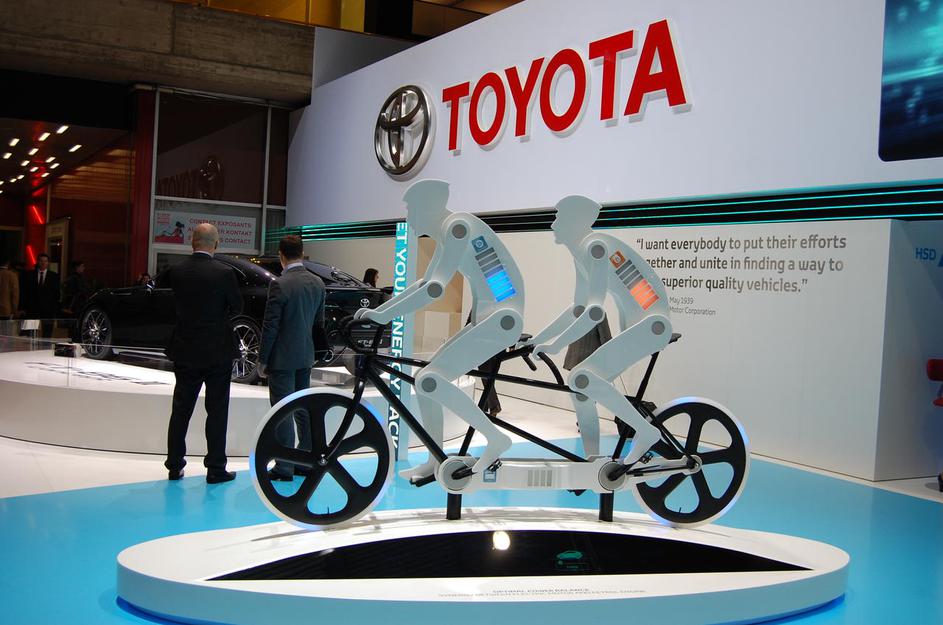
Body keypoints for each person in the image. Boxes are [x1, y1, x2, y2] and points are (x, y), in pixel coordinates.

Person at [356, 179, 525, 479]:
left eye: (411, 209)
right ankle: (436, 458)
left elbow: (435, 289)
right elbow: (426, 282)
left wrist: (384, 316)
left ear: (428, 207)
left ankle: (495, 438)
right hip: (491, 317)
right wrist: (381, 313)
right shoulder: (451, 229)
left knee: (430, 379)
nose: (409, 217)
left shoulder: (457, 227)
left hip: (502, 319)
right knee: (425, 381)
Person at [525, 195, 670, 462]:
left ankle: (646, 431)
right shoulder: (582, 251)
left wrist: (555, 345)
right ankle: (592, 462)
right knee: (581, 390)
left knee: (581, 378)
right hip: (644, 325)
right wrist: (539, 339)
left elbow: (594, 312)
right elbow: (578, 308)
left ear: (573, 222)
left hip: (653, 326)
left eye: (558, 218)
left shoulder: (595, 248)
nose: (553, 225)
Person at [158, 223, 242, 483]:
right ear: (215, 244)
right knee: (217, 411)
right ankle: (215, 468)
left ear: (192, 242)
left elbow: (166, 304)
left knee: (181, 409)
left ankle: (174, 465)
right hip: (218, 351)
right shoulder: (225, 273)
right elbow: (237, 307)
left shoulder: (176, 271)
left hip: (185, 348)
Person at [258, 235, 326, 481]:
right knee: (303, 409)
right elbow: (319, 323)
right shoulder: (317, 283)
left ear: (281, 255)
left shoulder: (280, 284)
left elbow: (271, 326)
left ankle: (284, 466)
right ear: (302, 253)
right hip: (305, 356)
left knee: (283, 412)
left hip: (282, 359)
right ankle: (305, 462)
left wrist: (262, 359)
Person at [22, 253, 60, 338]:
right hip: (32, 308)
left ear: (48, 263)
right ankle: (31, 345)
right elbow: (25, 292)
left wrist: (55, 309)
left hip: (48, 309)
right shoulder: (29, 275)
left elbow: (56, 294)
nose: (43, 263)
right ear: (38, 262)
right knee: (30, 333)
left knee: (47, 333)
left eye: (45, 261)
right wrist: (24, 307)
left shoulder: (54, 276)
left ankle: (45, 346)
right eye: (41, 261)